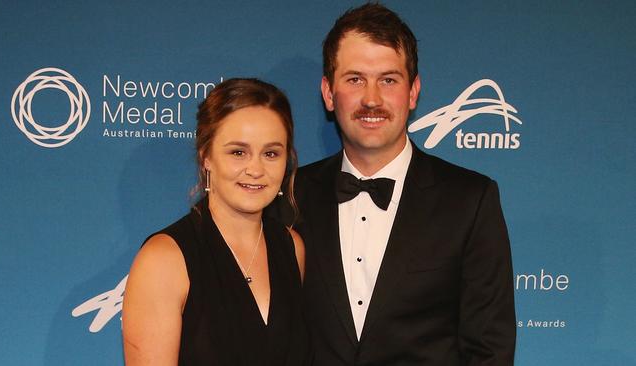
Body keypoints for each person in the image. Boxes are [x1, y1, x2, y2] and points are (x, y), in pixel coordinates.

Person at [293, 4, 516, 365]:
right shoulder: (290, 194)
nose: (371, 98)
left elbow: (490, 351)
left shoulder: (470, 200)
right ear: (329, 93)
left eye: (388, 80)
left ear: (413, 92)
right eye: (355, 79)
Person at [122, 78, 311, 365]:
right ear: (207, 157)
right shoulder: (164, 259)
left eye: (271, 153)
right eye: (238, 152)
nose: (256, 169)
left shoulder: (291, 246)